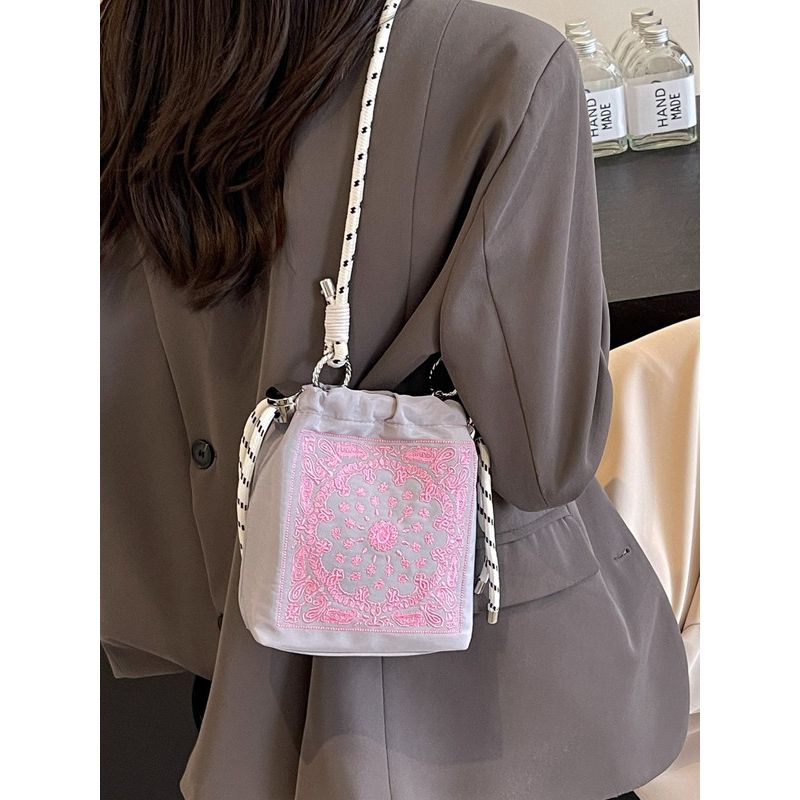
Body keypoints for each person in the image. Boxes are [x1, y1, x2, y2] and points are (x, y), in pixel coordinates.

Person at [100, 1, 689, 798]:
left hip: (237, 693)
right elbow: (544, 461)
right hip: (482, 709)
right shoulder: (500, 67)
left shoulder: (122, 65)